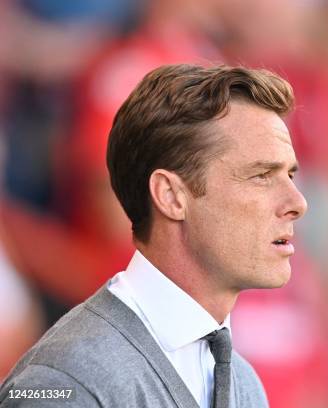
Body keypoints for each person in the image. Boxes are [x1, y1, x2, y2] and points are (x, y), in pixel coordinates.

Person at [0, 63, 308, 407]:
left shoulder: (244, 382)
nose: (298, 203)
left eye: (290, 176)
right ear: (171, 196)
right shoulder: (66, 380)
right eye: (262, 176)